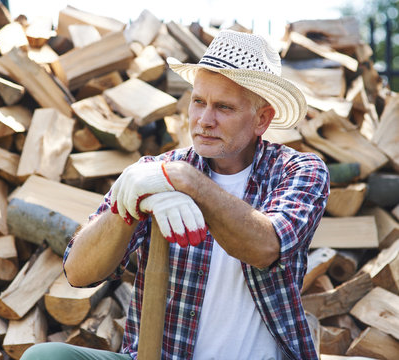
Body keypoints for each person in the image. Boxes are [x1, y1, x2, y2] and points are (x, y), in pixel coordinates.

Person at [22, 29, 329, 360]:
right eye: (198, 102)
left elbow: (266, 247)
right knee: (44, 357)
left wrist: (190, 183)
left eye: (223, 107)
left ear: (262, 119)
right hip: (161, 355)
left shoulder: (300, 171)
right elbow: (79, 273)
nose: (204, 120)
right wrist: (127, 208)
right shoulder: (156, 171)